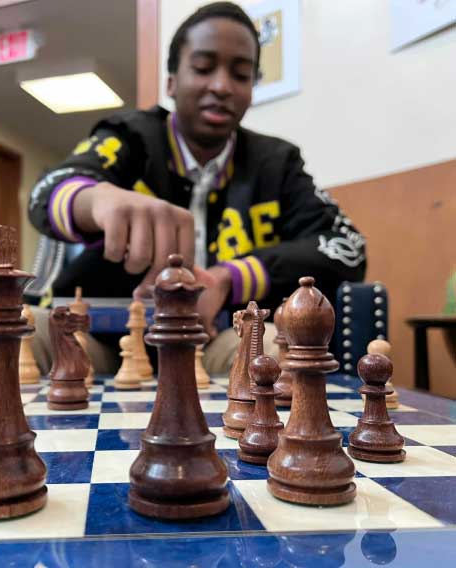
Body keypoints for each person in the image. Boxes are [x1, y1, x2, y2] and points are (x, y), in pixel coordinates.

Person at [28, 1, 366, 374]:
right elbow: (46, 192)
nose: (221, 86)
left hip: (222, 341)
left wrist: (229, 278)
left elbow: (348, 248)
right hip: (108, 343)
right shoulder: (130, 137)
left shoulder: (278, 164)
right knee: (27, 334)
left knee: (277, 351)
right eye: (203, 68)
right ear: (171, 81)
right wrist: (93, 200)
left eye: (240, 75)